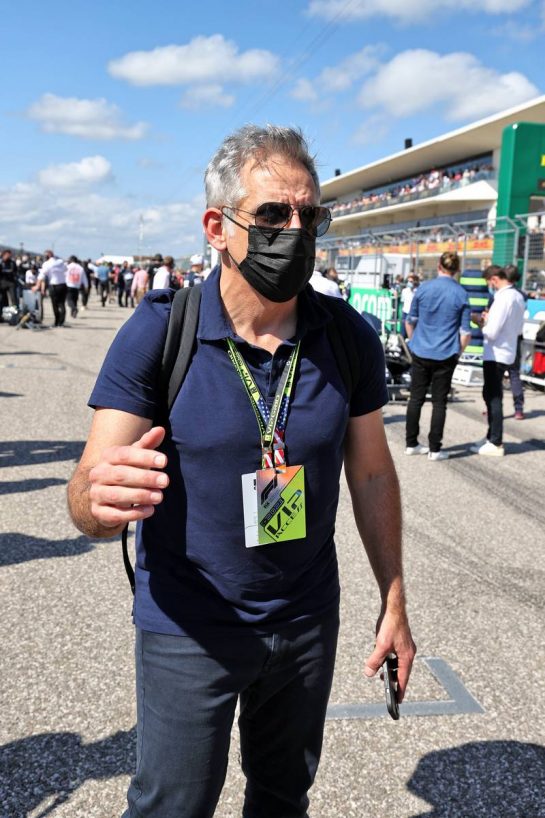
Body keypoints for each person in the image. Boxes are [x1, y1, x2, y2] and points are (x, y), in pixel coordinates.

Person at [67, 124, 415, 818]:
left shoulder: (346, 337)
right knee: (172, 805)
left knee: (283, 798)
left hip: (306, 620)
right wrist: (96, 506)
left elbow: (372, 475)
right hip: (189, 624)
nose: (294, 229)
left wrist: (394, 600)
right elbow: (86, 488)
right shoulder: (161, 331)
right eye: (271, 215)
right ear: (216, 228)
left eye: (307, 215)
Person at [405, 251, 471, 461]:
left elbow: (409, 320)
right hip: (446, 353)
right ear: (457, 269)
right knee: (439, 402)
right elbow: (466, 332)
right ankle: (435, 449)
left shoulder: (423, 288)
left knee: (415, 399)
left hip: (420, 350)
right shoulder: (461, 293)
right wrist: (458, 351)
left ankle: (411, 443)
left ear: (439, 267)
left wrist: (413, 342)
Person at [470, 265, 525, 456]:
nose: (490, 286)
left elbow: (491, 332)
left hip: (495, 354)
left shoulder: (502, 298)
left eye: (489, 283)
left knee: (493, 397)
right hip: (508, 350)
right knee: (491, 395)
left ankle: (496, 441)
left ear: (494, 279)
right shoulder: (518, 296)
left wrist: (481, 322)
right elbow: (517, 329)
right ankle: (491, 436)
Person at [503, 264, 526, 420]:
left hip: (503, 338)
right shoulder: (522, 295)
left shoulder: (503, 295)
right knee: (514, 374)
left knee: (496, 375)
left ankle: (492, 407)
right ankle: (519, 408)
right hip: (516, 337)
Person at [36, 250, 68, 327]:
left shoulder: (47, 264)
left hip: (53, 285)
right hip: (63, 285)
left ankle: (57, 321)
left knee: (55, 305)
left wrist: (37, 285)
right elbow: (65, 270)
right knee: (62, 304)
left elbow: (41, 275)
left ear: (49, 255)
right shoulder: (61, 262)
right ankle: (62, 321)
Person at [0, 248, 17, 319]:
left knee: (13, 299)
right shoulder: (1, 262)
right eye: (6, 255)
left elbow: (14, 271)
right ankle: (3, 315)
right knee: (2, 299)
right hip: (2, 283)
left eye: (9, 255)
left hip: (11, 283)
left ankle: (15, 315)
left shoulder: (12, 262)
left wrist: (5, 271)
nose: (8, 256)